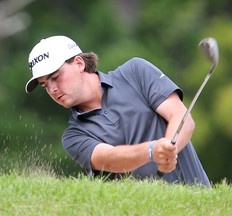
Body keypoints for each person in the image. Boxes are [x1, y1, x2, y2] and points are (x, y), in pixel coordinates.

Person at [25, 35, 210, 186]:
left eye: (56, 77)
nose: (52, 89)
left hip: (201, 204)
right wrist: (152, 150)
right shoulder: (74, 136)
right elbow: (109, 159)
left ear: (79, 63)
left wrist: (170, 148)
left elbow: (181, 117)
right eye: (45, 85)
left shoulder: (136, 72)